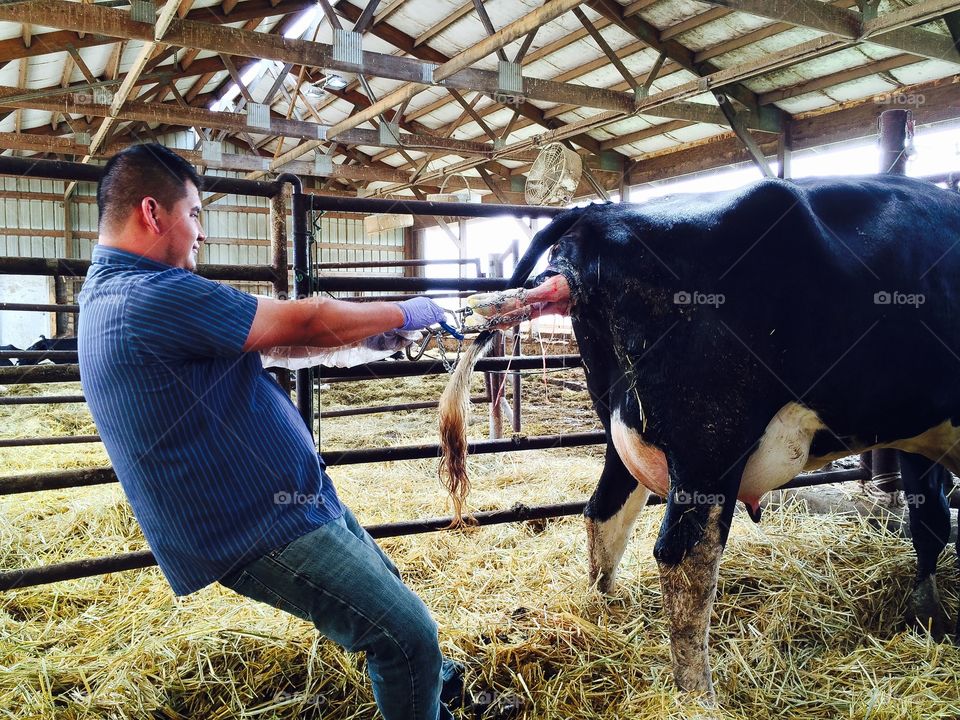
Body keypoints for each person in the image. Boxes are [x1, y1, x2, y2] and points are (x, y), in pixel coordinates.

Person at [78, 143, 461, 719]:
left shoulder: (120, 292)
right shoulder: (149, 294)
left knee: (392, 597)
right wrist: (408, 311)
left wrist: (374, 339)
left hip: (290, 503)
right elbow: (305, 320)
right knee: (405, 637)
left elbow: (279, 343)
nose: (201, 233)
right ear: (153, 213)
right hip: (254, 526)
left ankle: (435, 699)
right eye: (195, 214)